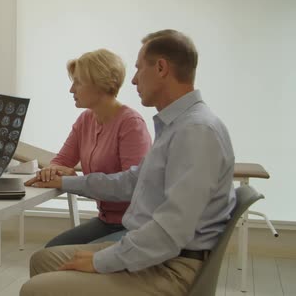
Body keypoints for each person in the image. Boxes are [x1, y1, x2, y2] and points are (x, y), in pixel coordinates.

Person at [21, 30, 236, 296]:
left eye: (138, 69)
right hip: (155, 252)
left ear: (161, 68)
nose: (132, 80)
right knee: (42, 261)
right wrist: (64, 180)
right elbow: (131, 181)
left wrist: (102, 261)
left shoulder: (196, 131)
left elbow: (171, 230)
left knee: (35, 289)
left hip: (170, 266)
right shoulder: (176, 126)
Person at [41, 48, 151, 248]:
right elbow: (60, 162)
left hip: (136, 226)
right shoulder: (86, 119)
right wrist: (54, 170)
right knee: (52, 250)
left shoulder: (131, 123)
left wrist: (71, 180)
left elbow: (132, 187)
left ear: (101, 84)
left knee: (62, 260)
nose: (71, 89)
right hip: (107, 221)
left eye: (78, 82)